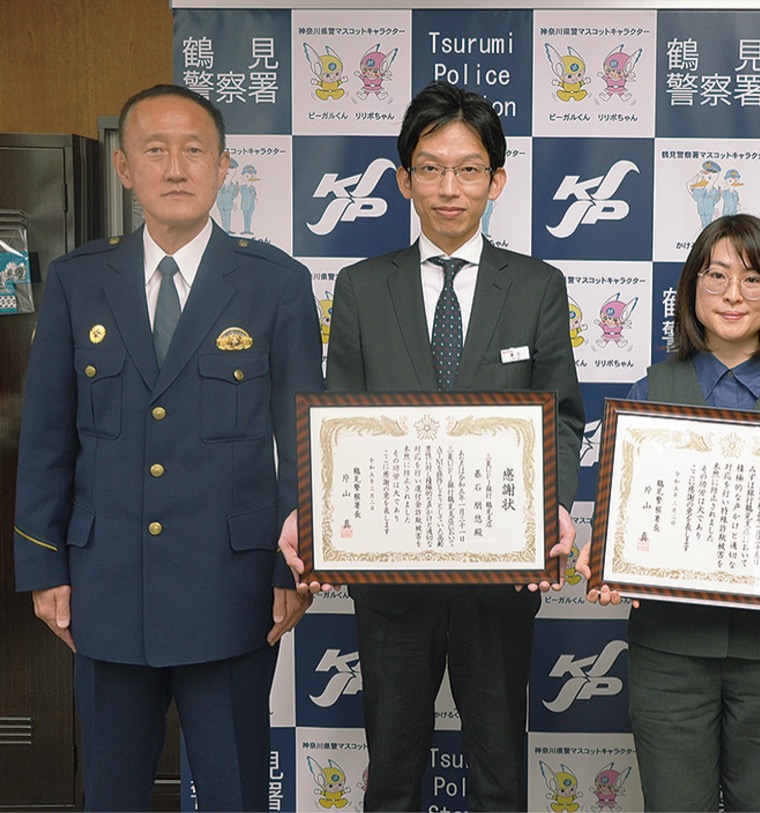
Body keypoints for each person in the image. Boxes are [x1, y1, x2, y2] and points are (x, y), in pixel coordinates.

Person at [11, 84, 324, 811]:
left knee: (235, 790)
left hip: (233, 590)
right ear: (125, 168)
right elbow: (47, 435)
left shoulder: (276, 283)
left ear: (223, 168)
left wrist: (293, 565)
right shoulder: (78, 281)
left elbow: (303, 435)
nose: (176, 168)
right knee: (112, 792)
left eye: (194, 151)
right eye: (155, 150)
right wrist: (43, 565)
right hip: (105, 587)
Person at [301, 80, 585, 812]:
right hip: (391, 581)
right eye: (430, 168)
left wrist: (552, 509)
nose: (448, 188)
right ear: (404, 180)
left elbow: (561, 417)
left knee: (500, 773)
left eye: (467, 169)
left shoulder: (538, 286)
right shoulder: (361, 288)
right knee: (392, 771)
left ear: (497, 180)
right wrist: (324, 519)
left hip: (500, 577)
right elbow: (340, 422)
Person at [594, 214, 760, 811]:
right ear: (691, 286)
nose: (733, 294)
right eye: (716, 275)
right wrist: (611, 563)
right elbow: (624, 526)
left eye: (753, 278)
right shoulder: (650, 394)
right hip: (670, 655)